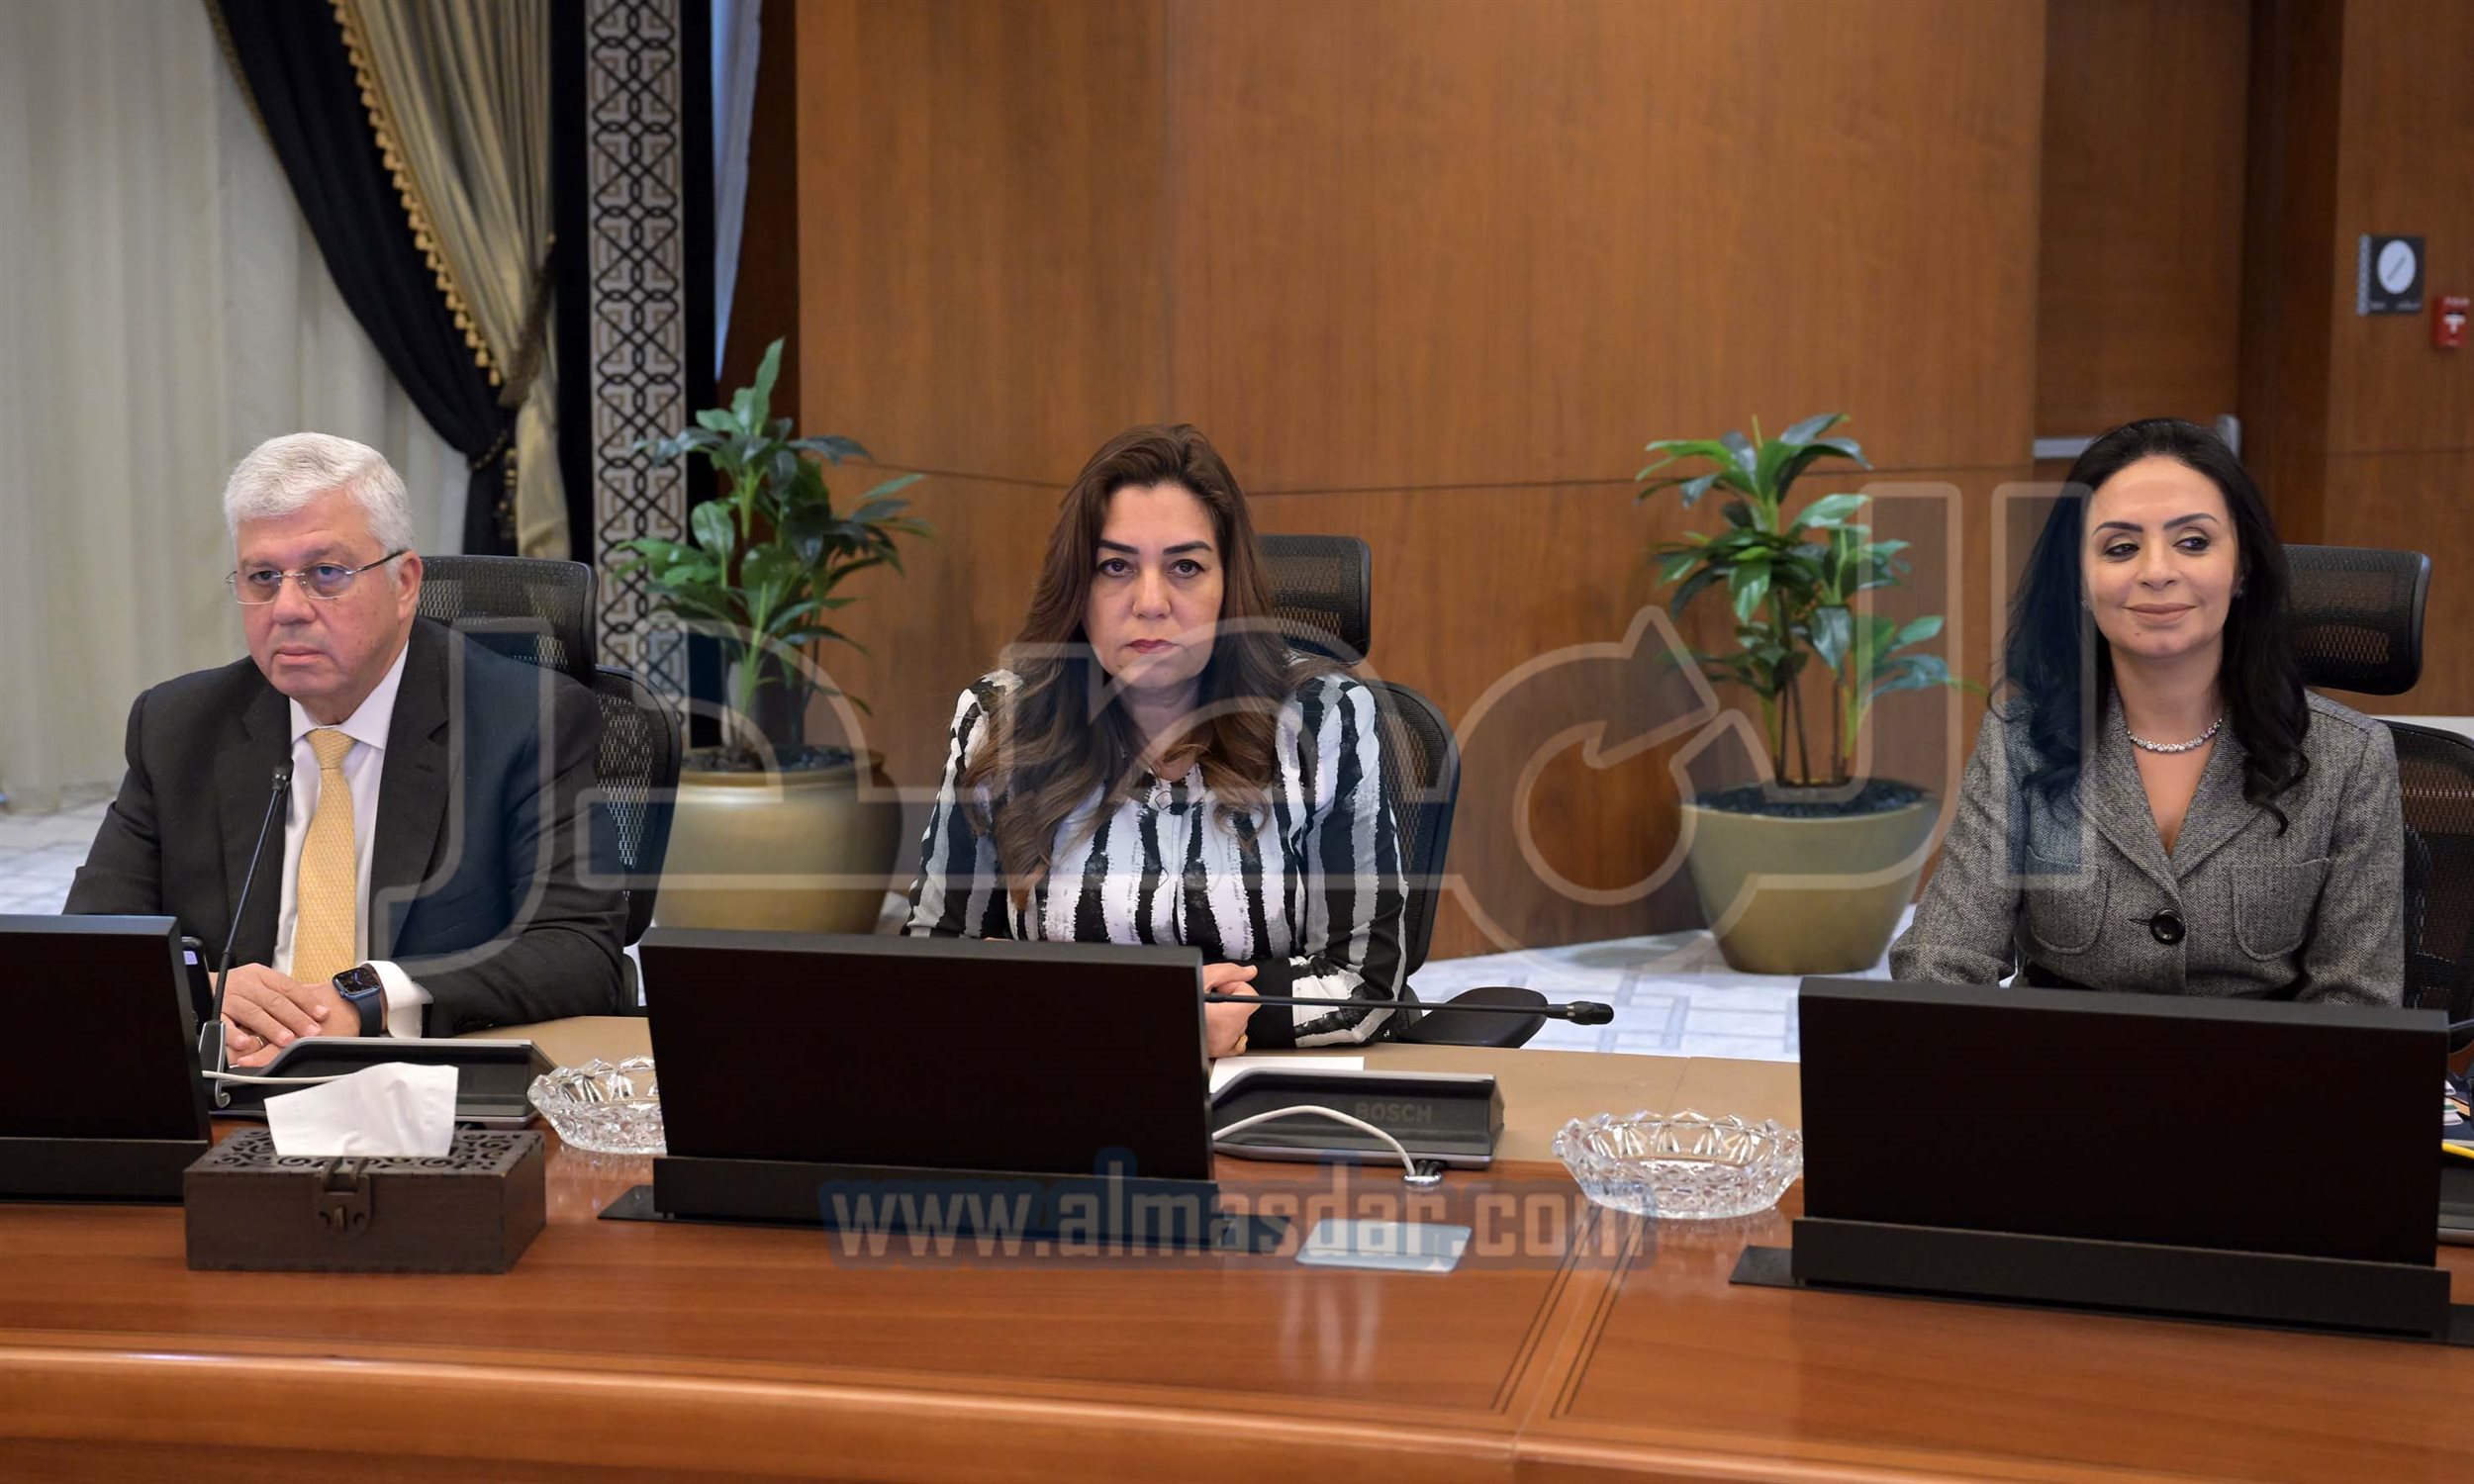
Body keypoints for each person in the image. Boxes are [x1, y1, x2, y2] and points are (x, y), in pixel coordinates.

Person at [66, 433, 627, 1064]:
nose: (287, 608)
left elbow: (579, 952)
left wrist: (369, 997)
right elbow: (90, 945)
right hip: (232, 1083)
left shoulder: (526, 721)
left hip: (425, 1086)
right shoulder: (178, 726)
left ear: (404, 583)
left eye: (325, 574)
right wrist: (209, 989)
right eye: (263, 577)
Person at [904, 423, 1406, 1053]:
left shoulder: (1324, 718)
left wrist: (1228, 1019)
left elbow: (1365, 984)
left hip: (1274, 1086)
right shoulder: (1001, 719)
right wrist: (1157, 1019)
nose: (1150, 602)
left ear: (1229, 586)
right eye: (1115, 566)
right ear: (1077, 586)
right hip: (1058, 1079)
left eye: (1185, 567)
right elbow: (934, 963)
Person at [1889, 417, 2402, 1004]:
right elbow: (1942, 959)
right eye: (2121, 548)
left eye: (2194, 542)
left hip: (2265, 1060)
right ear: (2079, 581)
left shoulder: (2348, 758)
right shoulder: (2022, 740)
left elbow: (2358, 1003)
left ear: (2242, 568)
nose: (2157, 572)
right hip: (2061, 1055)